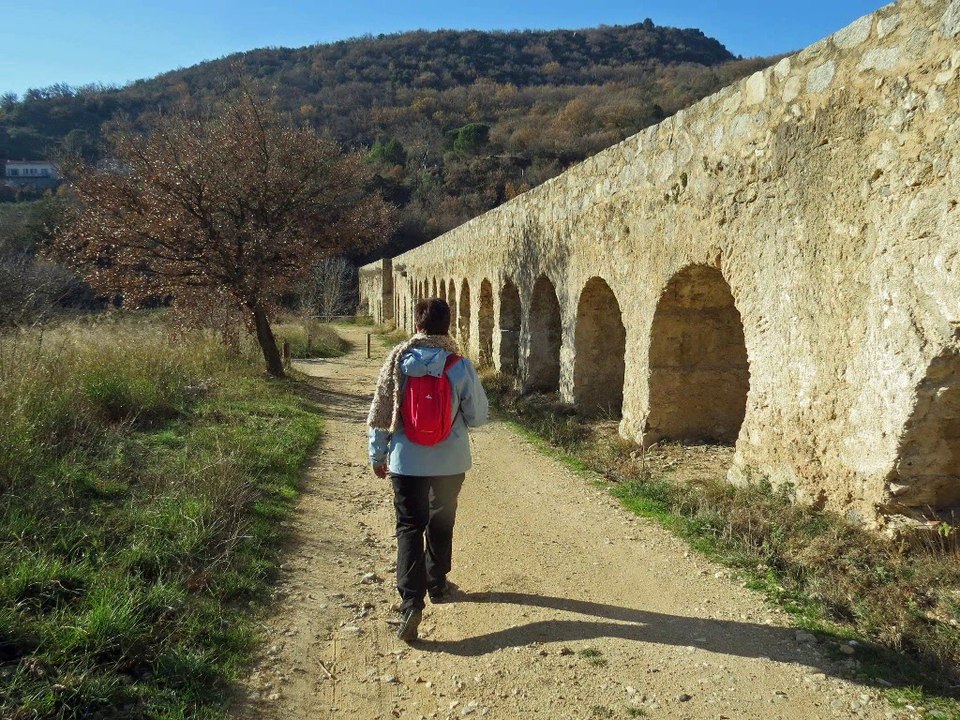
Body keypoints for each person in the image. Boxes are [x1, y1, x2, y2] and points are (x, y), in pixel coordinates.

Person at [367, 297, 489, 642]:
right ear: (447, 326)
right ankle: (437, 584)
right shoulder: (458, 365)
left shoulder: (396, 361)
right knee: (441, 520)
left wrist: (378, 455)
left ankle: (410, 603)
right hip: (450, 463)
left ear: (417, 325)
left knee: (409, 526)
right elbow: (478, 417)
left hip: (406, 461)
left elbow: (380, 412)